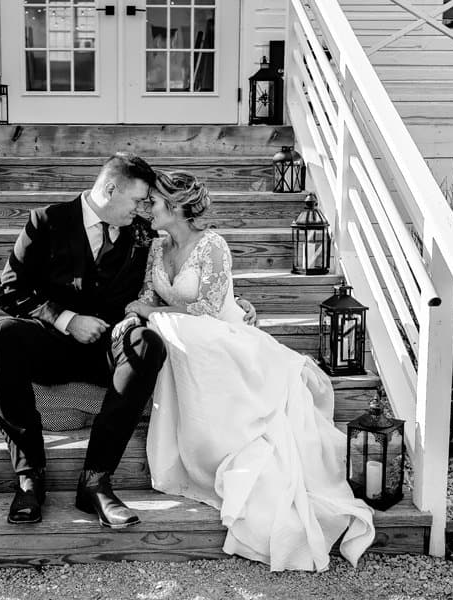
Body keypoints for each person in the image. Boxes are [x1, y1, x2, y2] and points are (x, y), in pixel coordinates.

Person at [119, 170, 376, 572]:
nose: (145, 209)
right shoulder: (156, 246)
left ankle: (223, 440)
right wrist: (139, 310)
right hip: (187, 332)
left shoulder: (213, 245)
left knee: (187, 333)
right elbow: (150, 295)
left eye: (152, 202)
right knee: (172, 332)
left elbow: (204, 309)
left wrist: (149, 311)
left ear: (177, 206)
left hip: (220, 335)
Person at [0, 153, 255, 529]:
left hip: (110, 349)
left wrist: (232, 302)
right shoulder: (47, 221)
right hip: (53, 343)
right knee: (1, 335)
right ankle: (30, 477)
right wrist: (67, 320)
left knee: (148, 343)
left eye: (148, 202)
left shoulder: (143, 233)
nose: (143, 208)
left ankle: (95, 481)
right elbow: (9, 290)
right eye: (137, 200)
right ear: (110, 189)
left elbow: (174, 284)